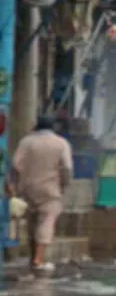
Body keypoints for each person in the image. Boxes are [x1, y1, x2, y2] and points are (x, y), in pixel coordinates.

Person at [6, 115, 72, 273]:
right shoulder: (61, 143)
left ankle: (32, 258)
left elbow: (15, 165)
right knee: (46, 222)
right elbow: (67, 168)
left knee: (32, 223)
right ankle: (38, 259)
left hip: (27, 188)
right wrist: (64, 185)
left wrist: (11, 185)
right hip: (50, 189)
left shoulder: (26, 142)